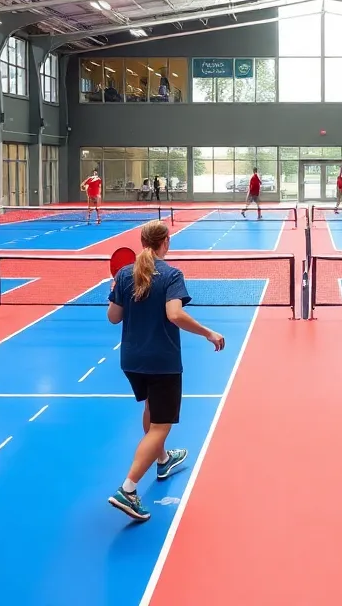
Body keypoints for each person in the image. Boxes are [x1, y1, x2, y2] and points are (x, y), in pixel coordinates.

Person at [106, 220, 225, 522]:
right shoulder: (172, 275)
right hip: (162, 361)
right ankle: (128, 490)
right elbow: (174, 314)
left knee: (151, 407)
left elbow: (113, 318)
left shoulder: (124, 273)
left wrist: (115, 290)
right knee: (161, 424)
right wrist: (208, 332)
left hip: (132, 360)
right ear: (165, 243)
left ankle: (162, 459)